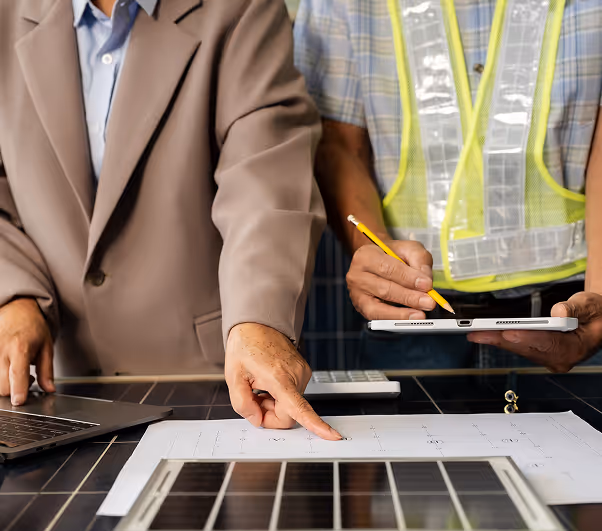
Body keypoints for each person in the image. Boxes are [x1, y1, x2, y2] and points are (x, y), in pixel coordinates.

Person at [0, 0, 340, 440]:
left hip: (213, 385)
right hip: (56, 384)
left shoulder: (241, 9)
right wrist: (14, 294)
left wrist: (259, 318)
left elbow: (265, 175)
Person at [294, 0, 602, 371]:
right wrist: (378, 260)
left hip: (572, 310)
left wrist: (599, 296)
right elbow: (339, 142)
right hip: (409, 317)